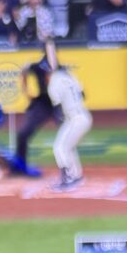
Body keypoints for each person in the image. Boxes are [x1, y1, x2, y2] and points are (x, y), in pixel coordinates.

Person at [47, 50, 91, 189]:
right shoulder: (70, 76)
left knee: (59, 147)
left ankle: (67, 179)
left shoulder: (53, 82)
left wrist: (58, 119)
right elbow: (83, 94)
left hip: (75, 119)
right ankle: (76, 175)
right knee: (68, 147)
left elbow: (57, 108)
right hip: (84, 116)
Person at [9, 53, 56, 176]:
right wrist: (26, 91)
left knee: (68, 135)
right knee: (22, 135)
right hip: (42, 104)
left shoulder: (59, 67)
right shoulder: (38, 65)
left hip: (58, 103)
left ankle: (70, 169)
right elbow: (23, 70)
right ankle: (20, 167)